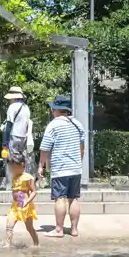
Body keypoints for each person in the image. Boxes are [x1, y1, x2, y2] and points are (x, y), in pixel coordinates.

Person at [38, 95, 86, 239]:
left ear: (55, 110)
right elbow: (81, 148)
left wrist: (41, 166)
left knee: (60, 198)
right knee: (74, 198)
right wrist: (78, 162)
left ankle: (58, 230)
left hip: (60, 168)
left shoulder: (53, 125)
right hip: (76, 168)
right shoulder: (78, 124)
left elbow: (45, 149)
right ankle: (74, 229)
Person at [6, 152, 39, 248]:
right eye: (10, 167)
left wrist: (27, 201)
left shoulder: (28, 178)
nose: (11, 169)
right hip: (15, 206)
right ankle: (8, 245)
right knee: (9, 226)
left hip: (25, 206)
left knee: (29, 228)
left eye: (13, 167)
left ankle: (36, 244)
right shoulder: (14, 177)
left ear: (22, 165)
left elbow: (33, 191)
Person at [2, 86, 33, 170]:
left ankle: (12, 180)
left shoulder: (12, 107)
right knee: (21, 161)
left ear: (13, 97)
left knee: (12, 161)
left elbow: (8, 126)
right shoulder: (26, 108)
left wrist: (4, 144)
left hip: (14, 136)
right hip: (23, 138)